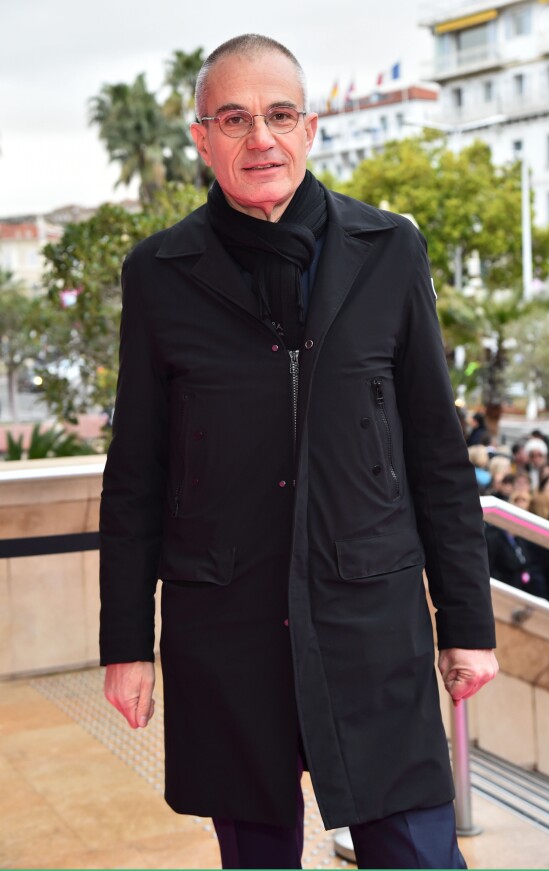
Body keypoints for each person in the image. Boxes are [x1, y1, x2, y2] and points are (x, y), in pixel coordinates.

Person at [99, 34, 498, 871]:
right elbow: (136, 472)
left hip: (371, 619)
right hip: (226, 627)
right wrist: (127, 641)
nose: (261, 140)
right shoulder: (159, 273)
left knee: (420, 853)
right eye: (235, 120)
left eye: (280, 115)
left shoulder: (388, 250)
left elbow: (436, 452)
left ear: (311, 128)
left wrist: (466, 622)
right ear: (201, 138)